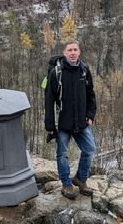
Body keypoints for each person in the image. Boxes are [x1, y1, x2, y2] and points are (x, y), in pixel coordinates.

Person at [45, 41, 97, 199]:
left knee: (89, 149)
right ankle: (66, 184)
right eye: (70, 50)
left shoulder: (84, 70)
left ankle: (80, 179)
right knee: (62, 154)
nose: (73, 52)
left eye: (75, 50)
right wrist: (50, 125)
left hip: (81, 121)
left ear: (79, 52)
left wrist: (90, 114)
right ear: (64, 52)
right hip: (63, 122)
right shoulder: (56, 73)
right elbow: (49, 100)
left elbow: (91, 95)